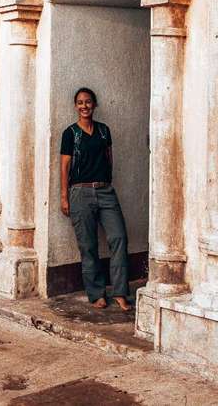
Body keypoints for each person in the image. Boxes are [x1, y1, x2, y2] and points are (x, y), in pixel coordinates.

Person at [60, 87, 130, 310]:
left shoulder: (103, 131)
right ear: (75, 106)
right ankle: (96, 293)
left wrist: (106, 181)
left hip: (105, 191)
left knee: (119, 237)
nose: (84, 106)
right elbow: (65, 166)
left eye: (88, 102)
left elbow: (109, 158)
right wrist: (64, 196)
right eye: (80, 102)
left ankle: (120, 292)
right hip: (80, 193)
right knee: (88, 245)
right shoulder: (70, 133)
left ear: (94, 104)